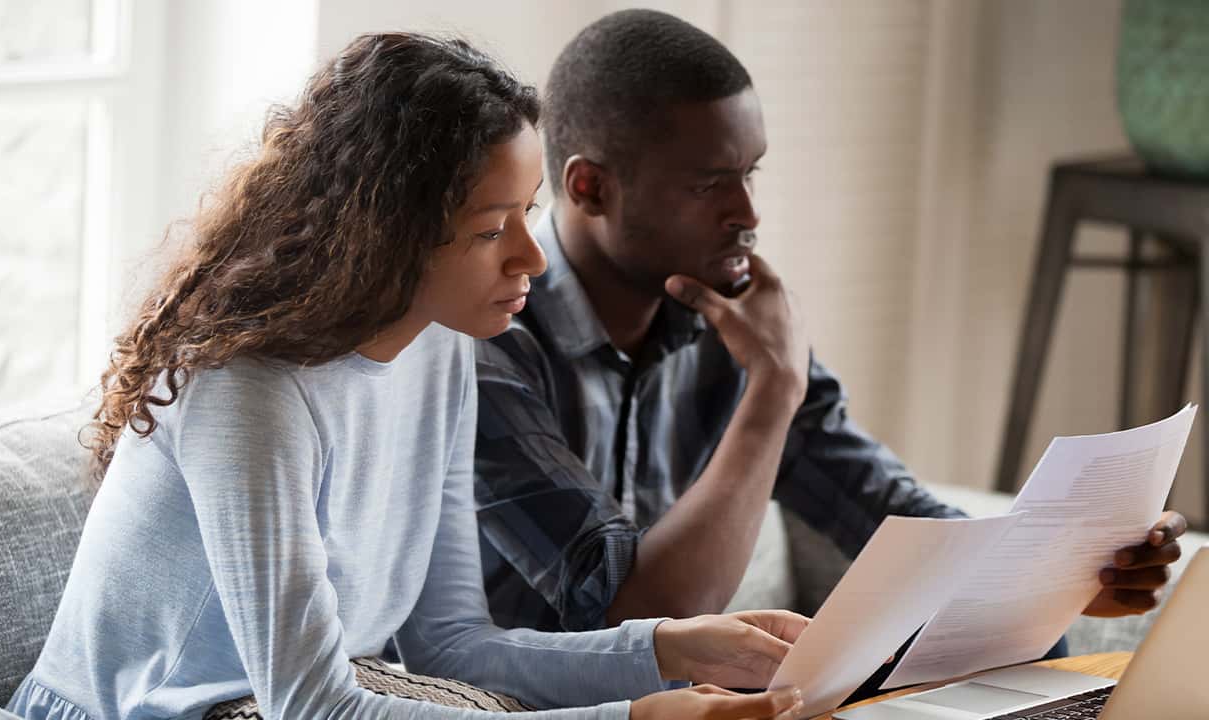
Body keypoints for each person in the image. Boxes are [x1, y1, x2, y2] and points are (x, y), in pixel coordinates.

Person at [0, 32, 810, 720]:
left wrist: (672, 648)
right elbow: (312, 706)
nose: (531, 258)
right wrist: (632, 715)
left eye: (527, 213)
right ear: (386, 234)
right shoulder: (249, 392)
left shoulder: (445, 352)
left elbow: (452, 647)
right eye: (491, 230)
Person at [473, 7, 1186, 644]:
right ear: (590, 187)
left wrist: (1067, 572)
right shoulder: (489, 345)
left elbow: (883, 510)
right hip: (520, 702)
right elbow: (636, 621)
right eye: (708, 184)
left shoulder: (727, 317)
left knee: (1030, 660)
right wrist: (773, 389)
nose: (747, 213)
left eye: (750, 173)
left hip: (701, 700)